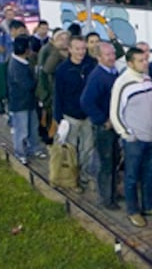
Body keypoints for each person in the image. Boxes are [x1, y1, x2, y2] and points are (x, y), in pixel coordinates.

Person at [110, 47, 152, 227]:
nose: (145, 63)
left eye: (145, 59)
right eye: (140, 60)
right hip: (135, 140)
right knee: (132, 176)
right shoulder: (122, 83)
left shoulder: (147, 79)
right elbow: (115, 112)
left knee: (150, 174)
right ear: (130, 63)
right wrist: (126, 133)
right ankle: (133, 210)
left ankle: (149, 205)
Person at [80, 42, 120, 210]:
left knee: (115, 160)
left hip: (114, 125)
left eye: (112, 54)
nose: (112, 57)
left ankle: (113, 192)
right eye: (108, 55)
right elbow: (86, 101)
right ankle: (106, 198)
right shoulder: (98, 76)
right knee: (106, 163)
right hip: (105, 128)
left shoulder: (113, 72)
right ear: (99, 58)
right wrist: (103, 120)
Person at [53, 35, 97, 189]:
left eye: (83, 48)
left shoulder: (91, 65)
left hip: (88, 116)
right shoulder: (62, 70)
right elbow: (57, 94)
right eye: (77, 49)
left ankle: (86, 175)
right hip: (70, 116)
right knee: (71, 150)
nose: (81, 52)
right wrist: (58, 117)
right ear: (70, 49)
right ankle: (73, 179)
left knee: (88, 149)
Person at [7, 35, 47, 165]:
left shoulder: (23, 62)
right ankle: (20, 153)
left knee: (33, 127)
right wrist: (36, 78)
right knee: (21, 130)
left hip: (29, 102)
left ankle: (33, 148)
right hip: (20, 103)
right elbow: (27, 84)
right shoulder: (16, 65)